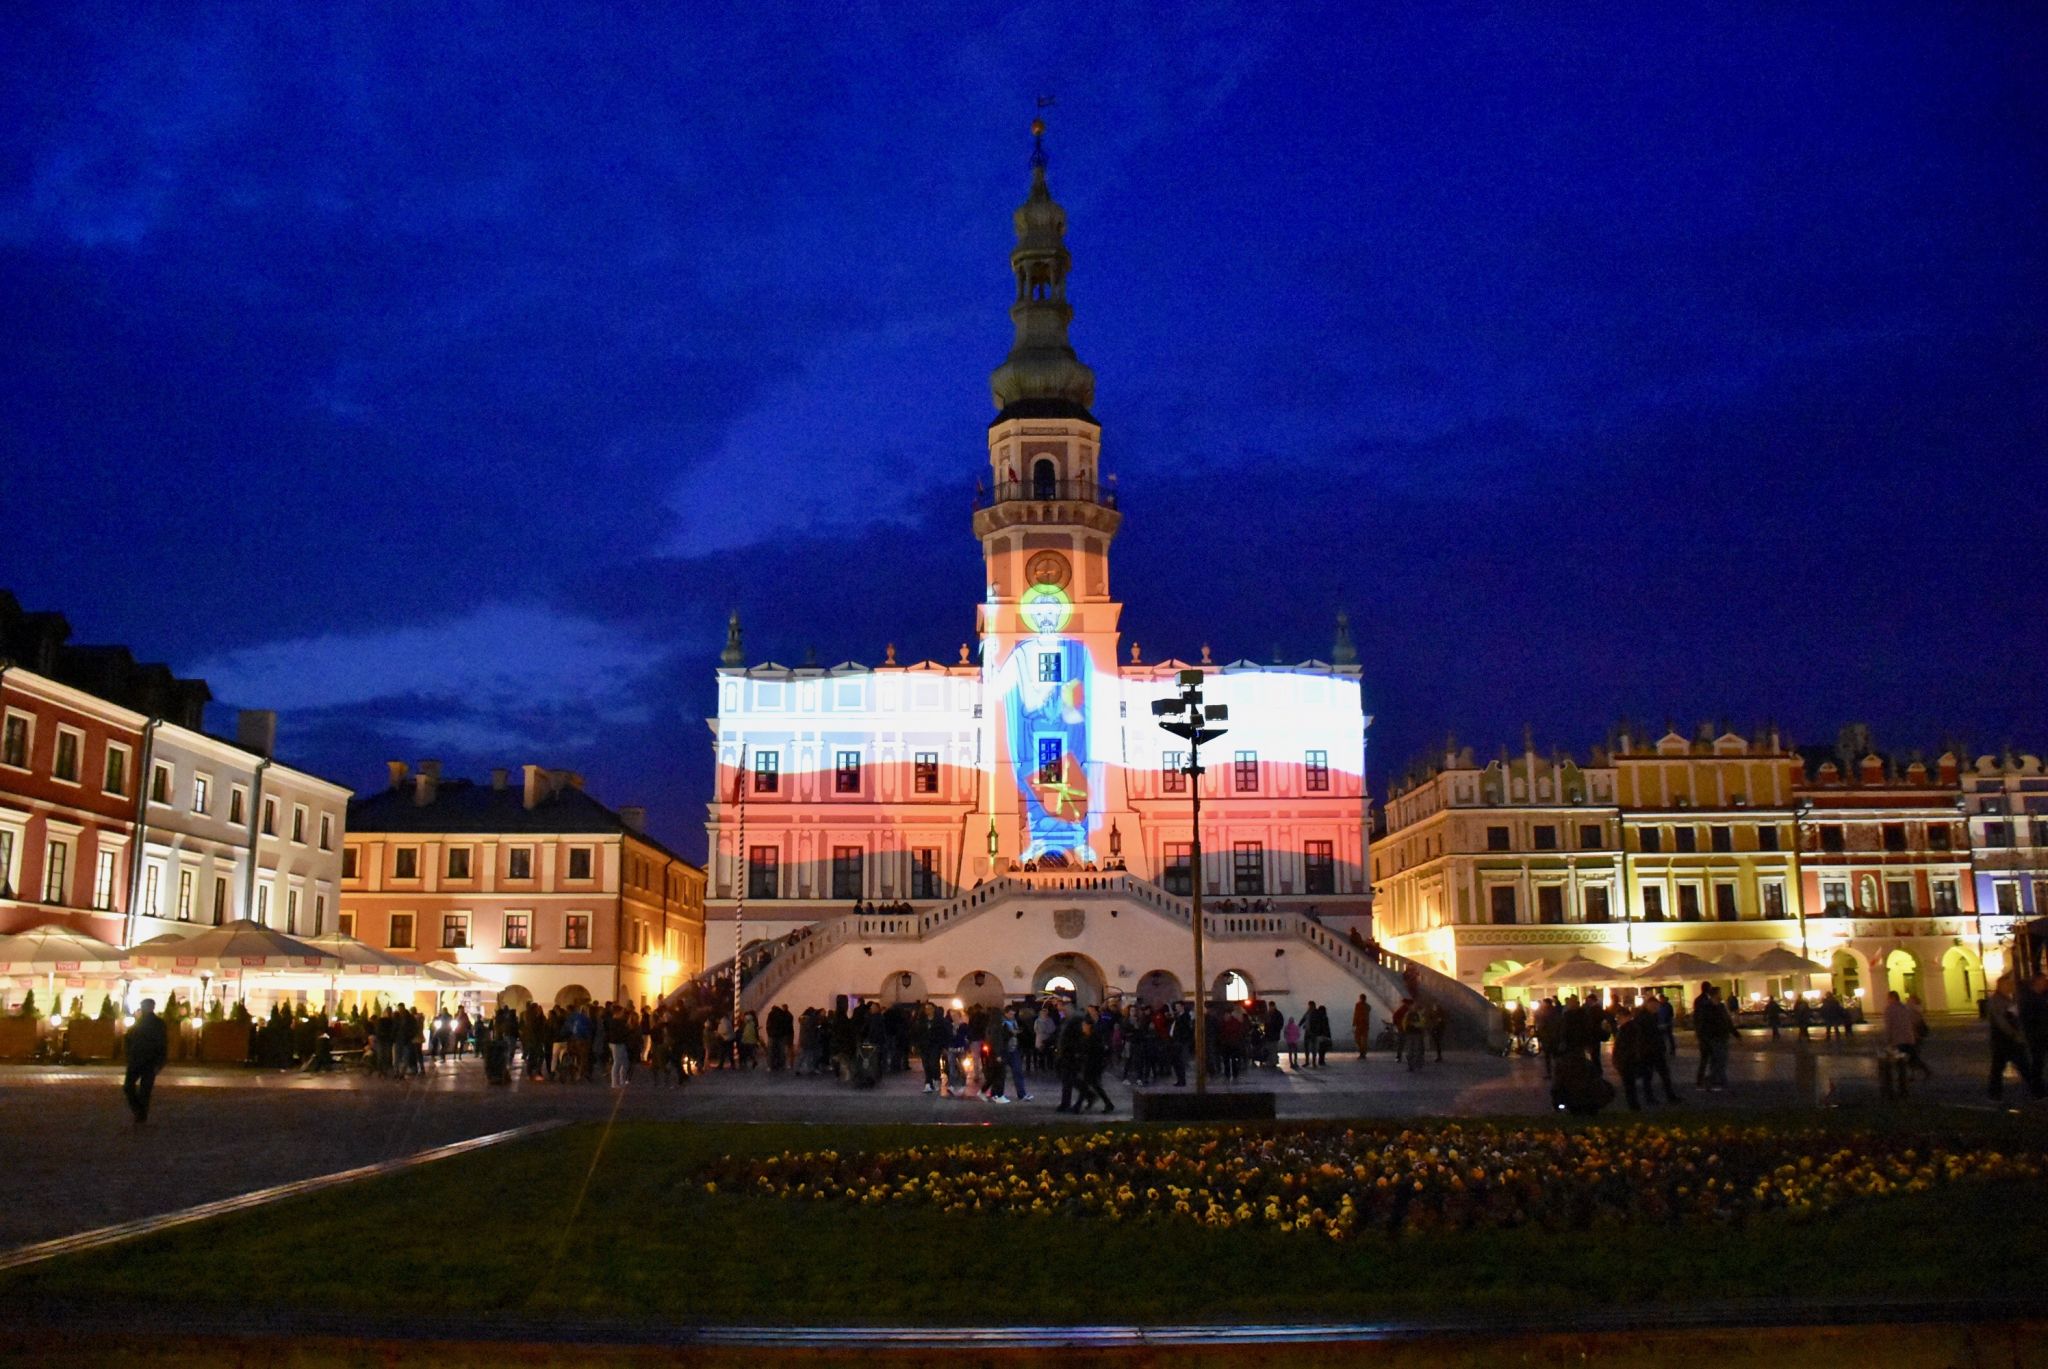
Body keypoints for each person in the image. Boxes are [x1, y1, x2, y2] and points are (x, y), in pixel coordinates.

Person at [1986, 975, 2042, 1102]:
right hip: (2003, 1041)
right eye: (2008, 984)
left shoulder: (2009, 1000)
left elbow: (2016, 1019)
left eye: (2011, 984)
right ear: (2000, 985)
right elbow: (2001, 1021)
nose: (2010, 987)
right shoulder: (1996, 1001)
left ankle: (2037, 1091)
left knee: (2021, 1067)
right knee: (2000, 1068)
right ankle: (1995, 1093)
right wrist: (2014, 1034)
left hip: (2010, 1041)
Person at [123, 998, 169, 1126]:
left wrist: (160, 1061)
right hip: (140, 1059)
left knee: (141, 1089)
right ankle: (140, 1112)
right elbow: (129, 1038)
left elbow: (162, 1043)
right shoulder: (140, 1021)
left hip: (147, 1059)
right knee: (134, 1087)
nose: (143, 1009)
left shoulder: (155, 1023)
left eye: (144, 1006)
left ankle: (140, 1113)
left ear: (151, 1007)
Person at [1883, 990, 1931, 1080]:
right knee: (1912, 1057)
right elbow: (1911, 1021)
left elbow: (1889, 1026)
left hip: (1897, 1039)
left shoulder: (1889, 1010)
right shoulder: (1904, 1008)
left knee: (1899, 1058)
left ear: (1892, 998)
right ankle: (1922, 1071)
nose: (1887, 1000)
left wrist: (1888, 1039)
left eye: (1888, 998)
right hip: (1909, 1038)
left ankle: (1903, 1077)